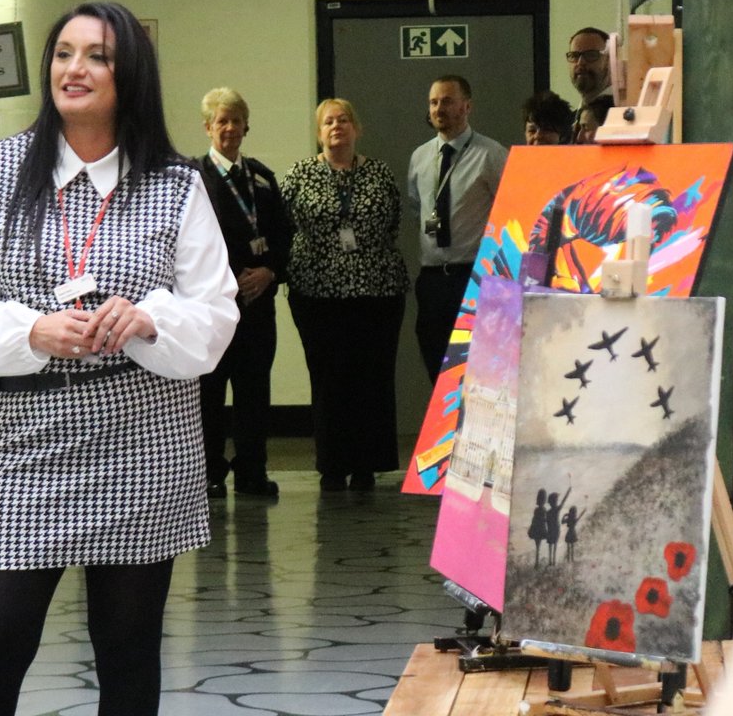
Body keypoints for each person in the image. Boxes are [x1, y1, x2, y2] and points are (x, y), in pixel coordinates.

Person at [0, 1, 238, 716]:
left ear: (131, 75)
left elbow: (217, 310)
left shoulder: (177, 184)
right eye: (64, 53)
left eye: (97, 55)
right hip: (19, 442)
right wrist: (32, 332)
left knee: (127, 645)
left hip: (142, 436)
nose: (75, 69)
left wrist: (151, 316)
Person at [280, 98, 408, 493]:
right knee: (329, 378)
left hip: (377, 292)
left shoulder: (379, 173)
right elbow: (283, 225)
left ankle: (368, 465)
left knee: (371, 378)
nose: (337, 127)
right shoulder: (300, 175)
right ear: (319, 133)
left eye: (344, 120)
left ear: (357, 128)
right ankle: (333, 465)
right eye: (328, 122)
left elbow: (394, 223)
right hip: (317, 294)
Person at [194, 87, 291, 499]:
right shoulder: (191, 178)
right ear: (208, 128)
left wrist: (271, 272)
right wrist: (227, 281)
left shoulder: (263, 177)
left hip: (256, 306)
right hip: (211, 307)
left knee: (254, 391)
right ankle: (210, 472)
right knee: (209, 393)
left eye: (237, 120)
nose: (230, 128)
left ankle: (252, 469)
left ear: (246, 126)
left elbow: (285, 237)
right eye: (222, 121)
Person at [407, 75, 508, 383]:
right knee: (437, 368)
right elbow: (417, 207)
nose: (439, 108)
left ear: (467, 106)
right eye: (434, 102)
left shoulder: (491, 154)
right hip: (434, 279)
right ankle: (444, 431)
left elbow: (507, 213)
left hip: (475, 277)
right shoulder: (420, 157)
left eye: (448, 101)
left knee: (478, 372)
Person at [567, 27, 612, 139]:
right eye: (574, 56)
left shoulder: (621, 117)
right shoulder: (568, 122)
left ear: (610, 60)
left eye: (591, 55)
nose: (580, 62)